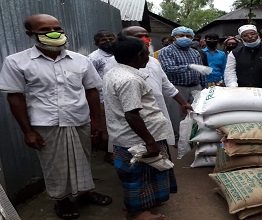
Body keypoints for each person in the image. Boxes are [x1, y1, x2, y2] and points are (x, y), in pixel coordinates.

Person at [0, 14, 112, 219]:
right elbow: (15, 98)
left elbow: (92, 91)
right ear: (30, 34)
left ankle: (85, 193)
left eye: (57, 28)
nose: (54, 33)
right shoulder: (16, 62)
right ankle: (61, 201)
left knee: (83, 159)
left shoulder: (80, 60)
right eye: (44, 30)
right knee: (54, 166)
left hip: (79, 119)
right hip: (45, 124)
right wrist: (28, 131)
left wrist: (98, 122)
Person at [104, 36, 175, 220]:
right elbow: (132, 114)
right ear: (138, 55)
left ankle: (142, 205)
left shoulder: (115, 72)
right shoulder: (129, 80)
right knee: (137, 177)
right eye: (146, 52)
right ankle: (137, 213)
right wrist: (150, 142)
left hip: (133, 135)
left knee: (146, 174)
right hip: (138, 138)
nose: (149, 56)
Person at [104, 26, 193, 147]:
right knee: (141, 151)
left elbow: (167, 85)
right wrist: (150, 142)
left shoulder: (153, 61)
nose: (144, 39)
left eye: (146, 35)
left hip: (155, 110)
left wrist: (183, 103)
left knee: (160, 148)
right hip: (133, 118)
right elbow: (130, 112)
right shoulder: (114, 65)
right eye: (139, 36)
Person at [159, 26, 207, 141]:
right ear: (174, 37)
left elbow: (201, 72)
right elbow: (169, 68)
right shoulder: (167, 51)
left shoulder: (195, 53)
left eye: (188, 36)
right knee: (176, 116)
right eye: (181, 36)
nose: (185, 38)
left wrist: (205, 88)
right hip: (177, 88)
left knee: (197, 114)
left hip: (196, 86)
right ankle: (177, 140)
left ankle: (195, 139)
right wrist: (188, 67)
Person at [224, 24, 262, 93]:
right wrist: (233, 86)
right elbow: (230, 72)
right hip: (241, 92)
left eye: (253, 34)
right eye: (245, 35)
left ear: (257, 35)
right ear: (241, 38)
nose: (250, 37)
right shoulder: (234, 53)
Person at [88, 30, 117, 164]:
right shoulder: (94, 58)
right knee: (107, 128)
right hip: (103, 99)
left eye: (110, 38)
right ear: (96, 44)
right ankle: (109, 154)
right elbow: (89, 80)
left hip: (118, 96)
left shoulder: (118, 54)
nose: (108, 41)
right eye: (103, 40)